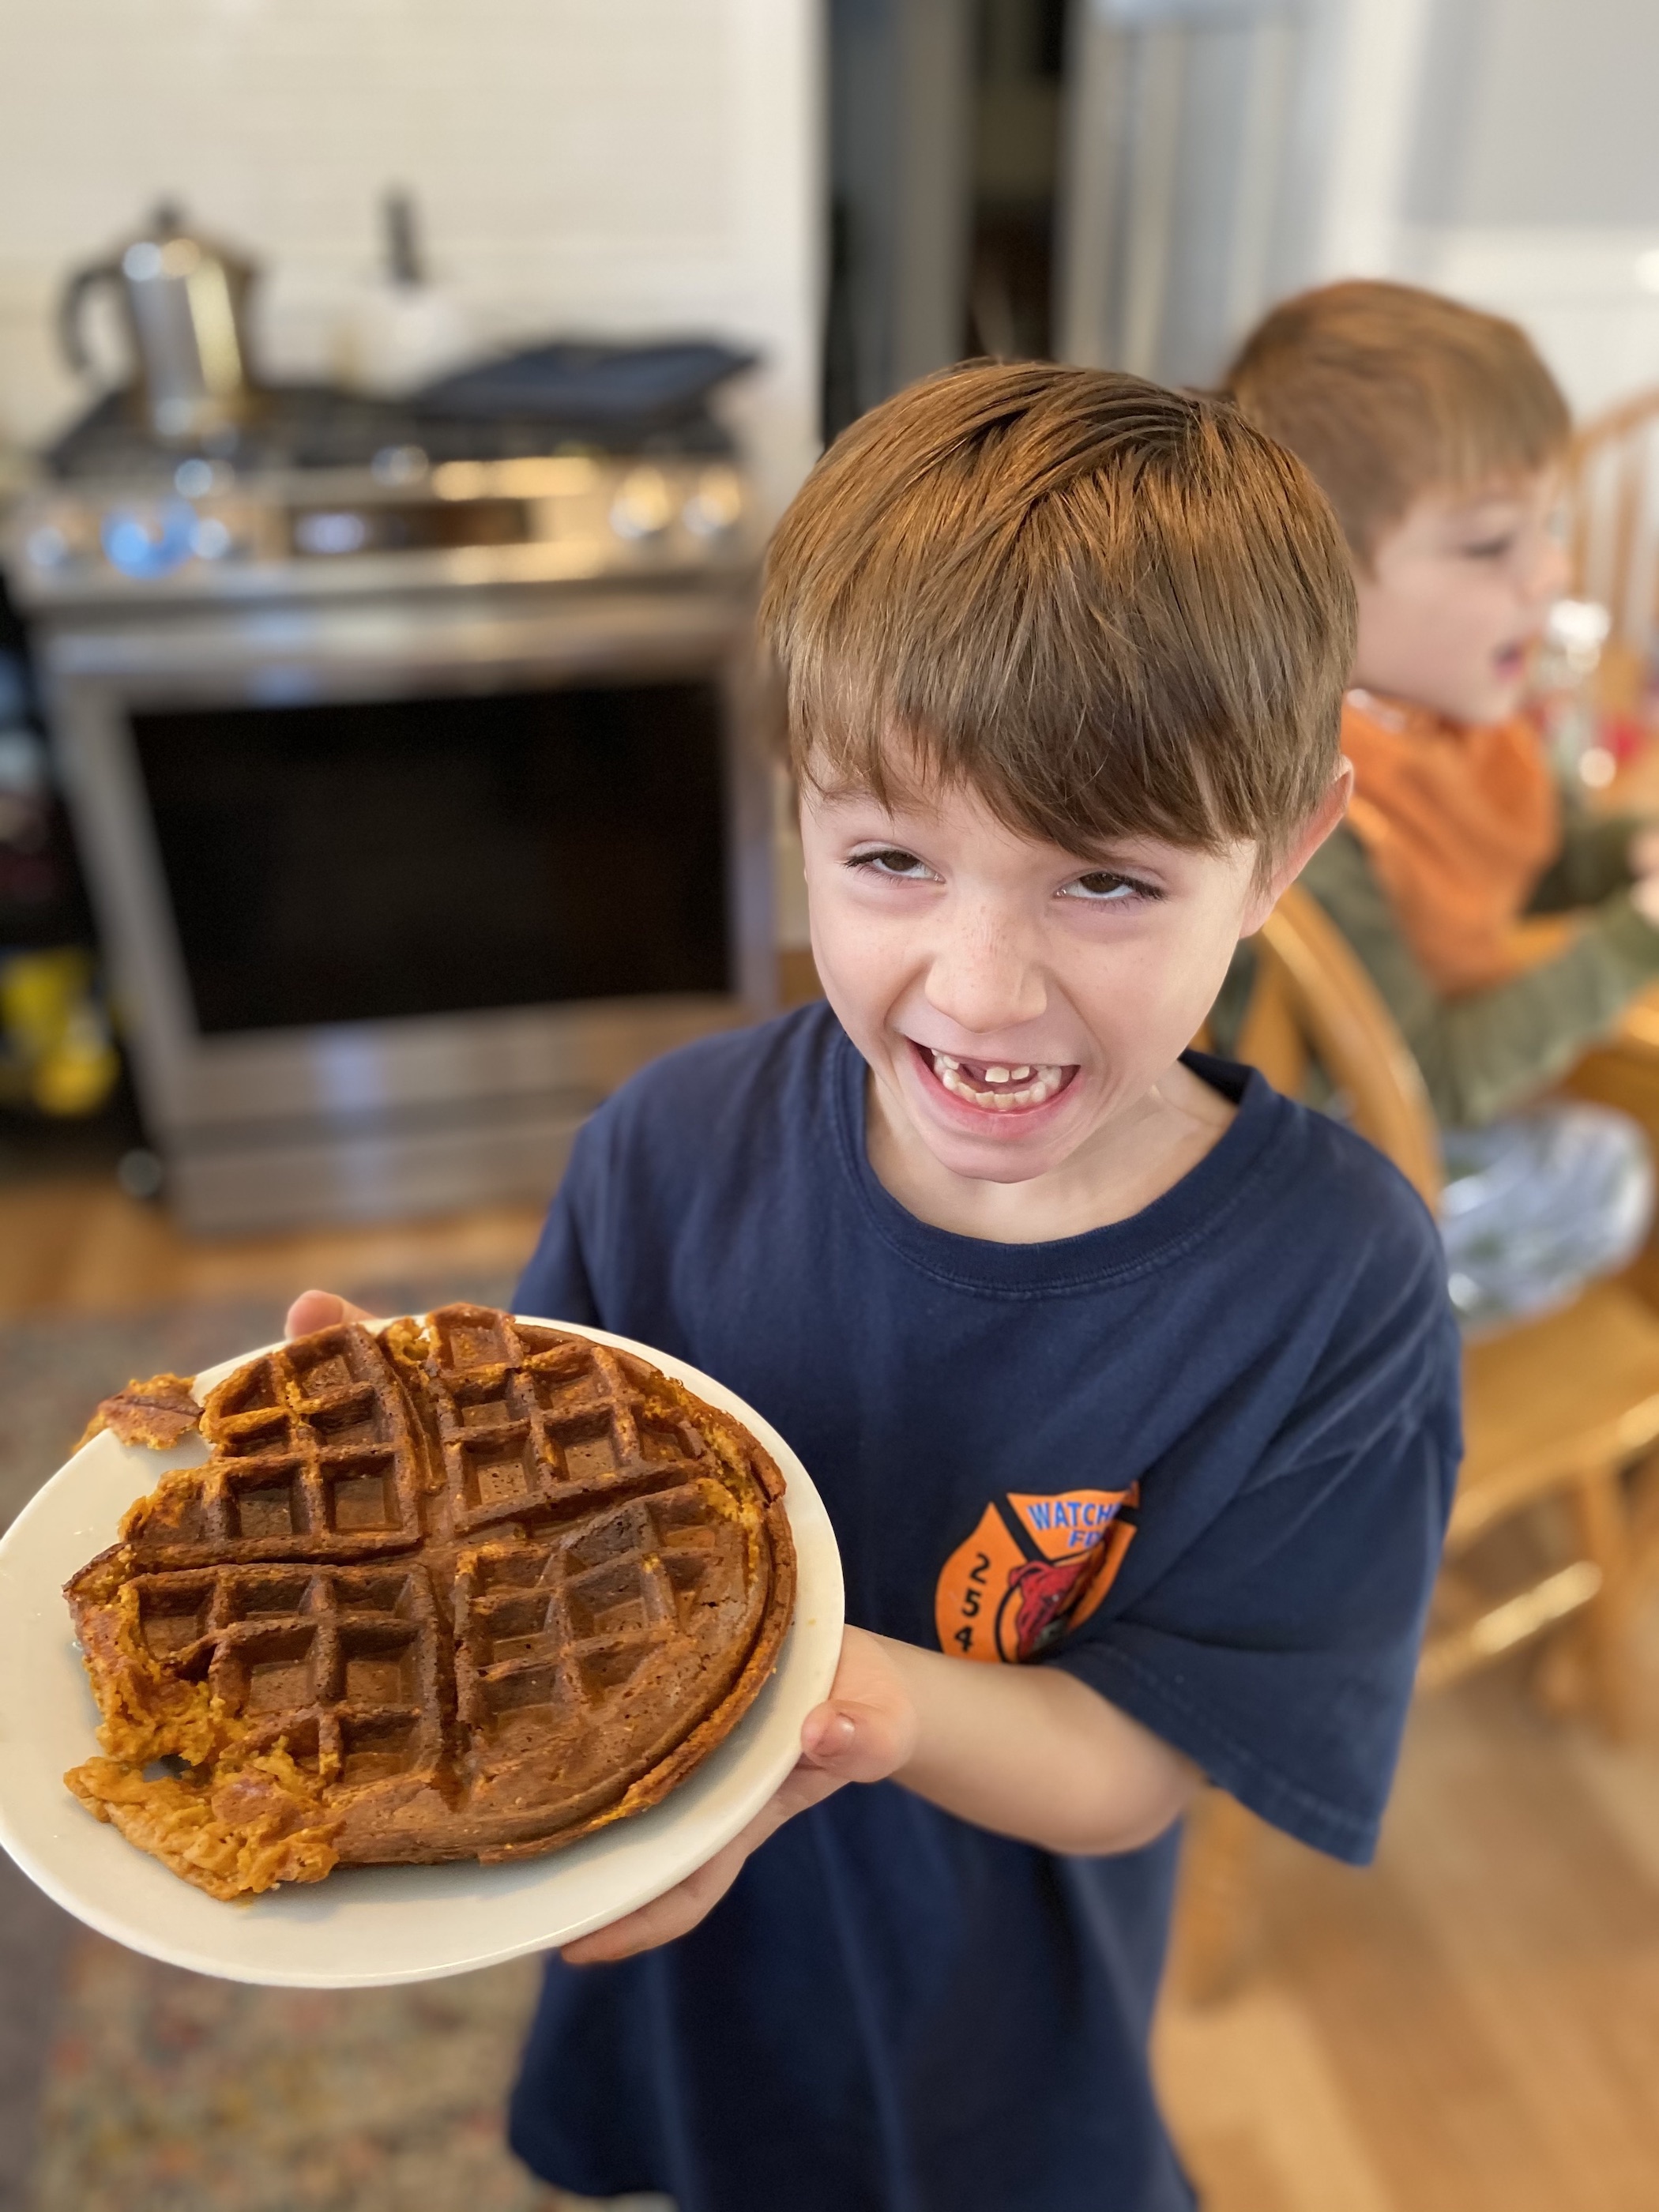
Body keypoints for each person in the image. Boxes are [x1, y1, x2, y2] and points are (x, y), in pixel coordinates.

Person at [287, 363, 1460, 2212]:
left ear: (1281, 857)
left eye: (1104, 882)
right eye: (892, 859)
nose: (978, 987)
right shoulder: (665, 1149)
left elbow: (1140, 1754)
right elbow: (513, 1533)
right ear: (797, 817)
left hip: (987, 2018)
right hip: (662, 1940)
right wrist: (398, 1492)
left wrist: (837, 1697)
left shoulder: (1331, 1284)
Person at [1224, 280, 1659, 1328]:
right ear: (1318, 579)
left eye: (1547, 529)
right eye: (1488, 546)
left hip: (1418, 1069)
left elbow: (1532, 849)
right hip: (1320, 1173)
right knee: (1608, 1170)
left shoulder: (1450, 713)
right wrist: (1631, 941)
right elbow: (1426, 1082)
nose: (1549, 572)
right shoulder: (1313, 803)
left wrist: (1628, 851)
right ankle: (1361, 1373)